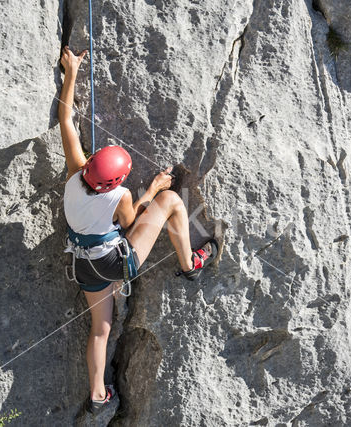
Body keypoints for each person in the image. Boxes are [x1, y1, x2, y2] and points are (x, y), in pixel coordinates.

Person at [58, 46, 218, 415]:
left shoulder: (75, 172)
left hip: (83, 264)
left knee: (101, 329)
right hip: (115, 263)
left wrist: (72, 70)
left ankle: (99, 397)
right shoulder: (119, 196)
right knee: (173, 203)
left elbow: (66, 120)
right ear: (113, 181)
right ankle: (191, 264)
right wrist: (154, 190)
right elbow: (135, 225)